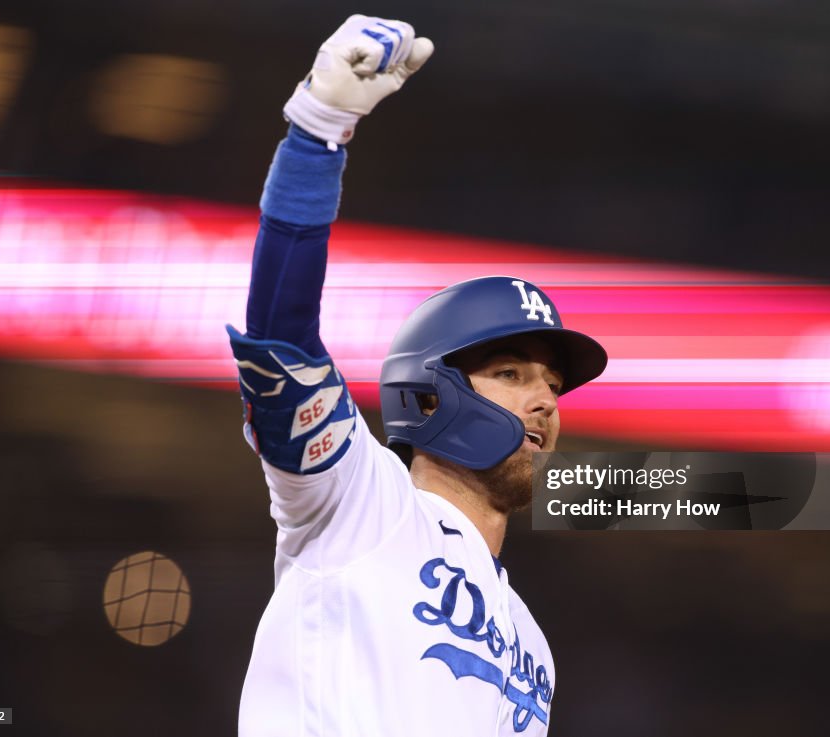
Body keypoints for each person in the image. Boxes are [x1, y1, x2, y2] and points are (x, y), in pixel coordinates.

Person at [227, 15, 608, 736]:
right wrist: (317, 130)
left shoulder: (533, 643)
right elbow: (282, 342)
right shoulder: (359, 503)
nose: (543, 402)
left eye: (554, 387)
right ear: (428, 392)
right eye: (510, 372)